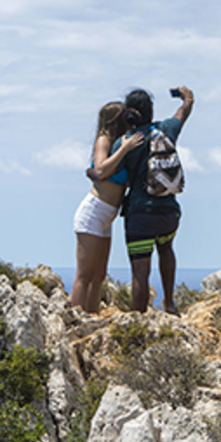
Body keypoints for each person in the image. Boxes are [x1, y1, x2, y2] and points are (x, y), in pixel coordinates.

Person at [119, 86, 195, 315]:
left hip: (140, 214)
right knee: (166, 249)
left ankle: (140, 318)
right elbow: (183, 112)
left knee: (140, 270)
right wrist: (187, 97)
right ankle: (170, 305)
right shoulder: (166, 130)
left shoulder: (125, 142)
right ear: (151, 110)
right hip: (168, 213)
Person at [70, 102, 144, 313]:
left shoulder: (120, 143)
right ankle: (75, 319)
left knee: (98, 276)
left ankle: (92, 317)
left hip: (106, 216)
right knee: (84, 275)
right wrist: (124, 149)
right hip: (93, 212)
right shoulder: (104, 140)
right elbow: (101, 170)